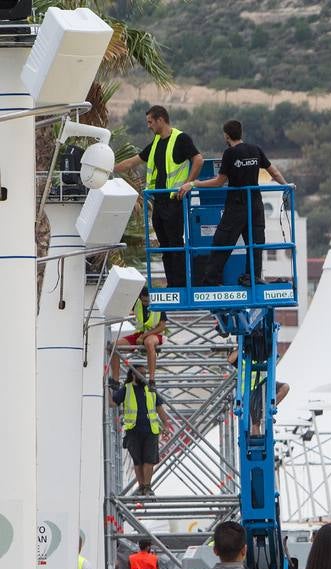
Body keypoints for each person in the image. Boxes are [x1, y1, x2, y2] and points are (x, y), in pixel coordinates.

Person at [180, 120, 287, 287]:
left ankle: (211, 280)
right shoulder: (256, 150)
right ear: (241, 133)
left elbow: (219, 182)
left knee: (222, 241)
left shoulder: (230, 154)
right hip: (255, 204)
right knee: (255, 242)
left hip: (236, 205)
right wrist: (287, 186)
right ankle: (252, 277)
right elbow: (274, 171)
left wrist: (194, 184)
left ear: (226, 135)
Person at [115, 106, 202, 289]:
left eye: (150, 122)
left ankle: (180, 284)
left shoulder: (180, 139)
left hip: (174, 200)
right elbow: (133, 161)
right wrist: (109, 168)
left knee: (175, 244)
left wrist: (188, 183)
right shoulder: (155, 143)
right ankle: (172, 283)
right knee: (164, 246)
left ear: (160, 120)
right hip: (159, 202)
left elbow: (198, 159)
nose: (148, 126)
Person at [108, 357, 172, 496]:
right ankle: (142, 487)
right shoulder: (127, 389)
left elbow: (159, 407)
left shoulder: (150, 389)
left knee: (149, 460)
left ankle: (147, 487)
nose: (144, 376)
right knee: (138, 461)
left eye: (145, 373)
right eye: (141, 373)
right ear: (133, 375)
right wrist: (106, 389)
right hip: (133, 430)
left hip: (151, 430)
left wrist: (166, 425)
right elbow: (113, 403)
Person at [121, 291, 166, 382]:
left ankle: (152, 379)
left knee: (149, 342)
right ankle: (115, 380)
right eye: (144, 301)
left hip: (155, 334)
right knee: (114, 346)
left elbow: (161, 326)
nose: (147, 303)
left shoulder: (158, 304)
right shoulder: (137, 303)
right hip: (139, 333)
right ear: (140, 298)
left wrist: (143, 336)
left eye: (148, 301)